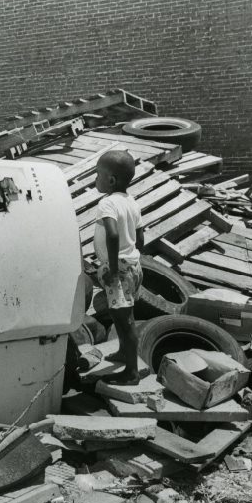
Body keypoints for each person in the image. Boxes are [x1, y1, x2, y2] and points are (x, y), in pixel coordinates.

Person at [93, 150, 144, 385]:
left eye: (98, 175)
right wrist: (134, 256)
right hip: (133, 266)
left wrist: (113, 268)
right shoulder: (131, 202)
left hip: (118, 270)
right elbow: (140, 235)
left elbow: (112, 235)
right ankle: (124, 353)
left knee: (124, 321)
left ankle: (131, 372)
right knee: (122, 314)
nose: (96, 179)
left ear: (111, 180)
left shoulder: (107, 203)